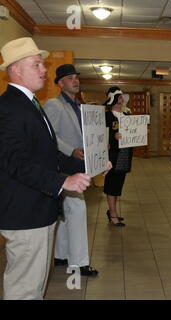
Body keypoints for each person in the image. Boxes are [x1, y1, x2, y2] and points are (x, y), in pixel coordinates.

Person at [0, 37, 91, 299]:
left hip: (39, 210)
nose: (44, 70)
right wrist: (62, 182)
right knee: (25, 289)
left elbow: (48, 155)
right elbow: (14, 162)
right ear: (16, 69)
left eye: (42, 64)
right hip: (24, 213)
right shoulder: (8, 108)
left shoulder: (31, 104)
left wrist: (88, 165)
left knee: (36, 284)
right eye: (37, 64)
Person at [44, 64, 98, 277]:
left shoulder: (79, 105)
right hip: (62, 164)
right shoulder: (53, 104)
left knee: (68, 211)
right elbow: (50, 136)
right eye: (69, 78)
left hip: (77, 164)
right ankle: (79, 262)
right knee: (77, 210)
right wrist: (70, 150)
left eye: (76, 77)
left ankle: (62, 255)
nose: (75, 81)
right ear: (60, 83)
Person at [103, 86, 133, 227]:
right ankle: (112, 213)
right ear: (113, 99)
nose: (122, 99)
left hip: (124, 153)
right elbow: (101, 135)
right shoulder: (107, 116)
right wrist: (112, 137)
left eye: (122, 97)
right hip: (112, 154)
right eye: (119, 97)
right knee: (111, 183)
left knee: (118, 183)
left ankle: (112, 211)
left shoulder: (128, 116)